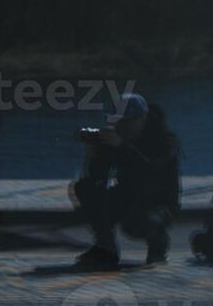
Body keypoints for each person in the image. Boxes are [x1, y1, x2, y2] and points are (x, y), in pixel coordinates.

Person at [70, 92, 181, 269]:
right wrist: (95, 155)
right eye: (119, 120)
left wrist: (121, 146)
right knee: (85, 188)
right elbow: (98, 177)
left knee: (142, 222)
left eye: (128, 121)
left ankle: (158, 244)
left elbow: (150, 171)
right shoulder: (118, 138)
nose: (123, 125)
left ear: (143, 118)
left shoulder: (165, 140)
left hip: (158, 202)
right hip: (128, 195)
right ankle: (105, 247)